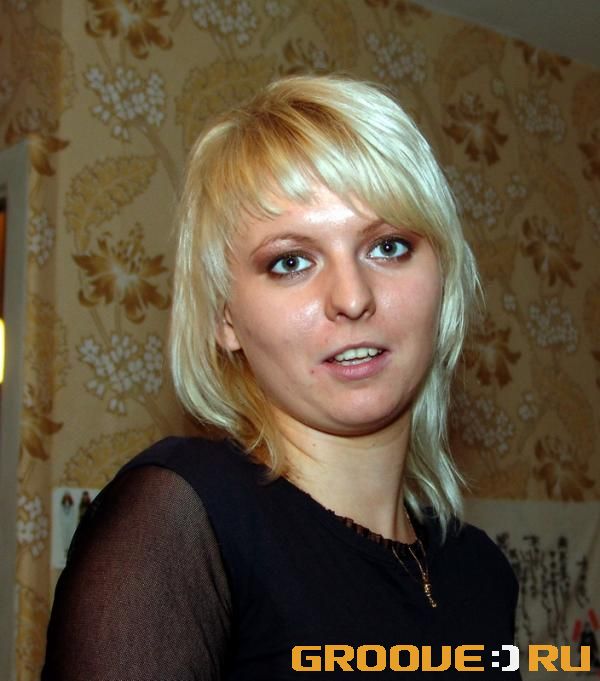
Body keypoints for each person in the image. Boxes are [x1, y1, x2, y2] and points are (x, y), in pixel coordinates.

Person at [42, 74, 520, 679]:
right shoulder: (182, 523)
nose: (352, 297)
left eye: (389, 247)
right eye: (291, 261)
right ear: (225, 319)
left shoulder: (482, 571)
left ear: (443, 276)